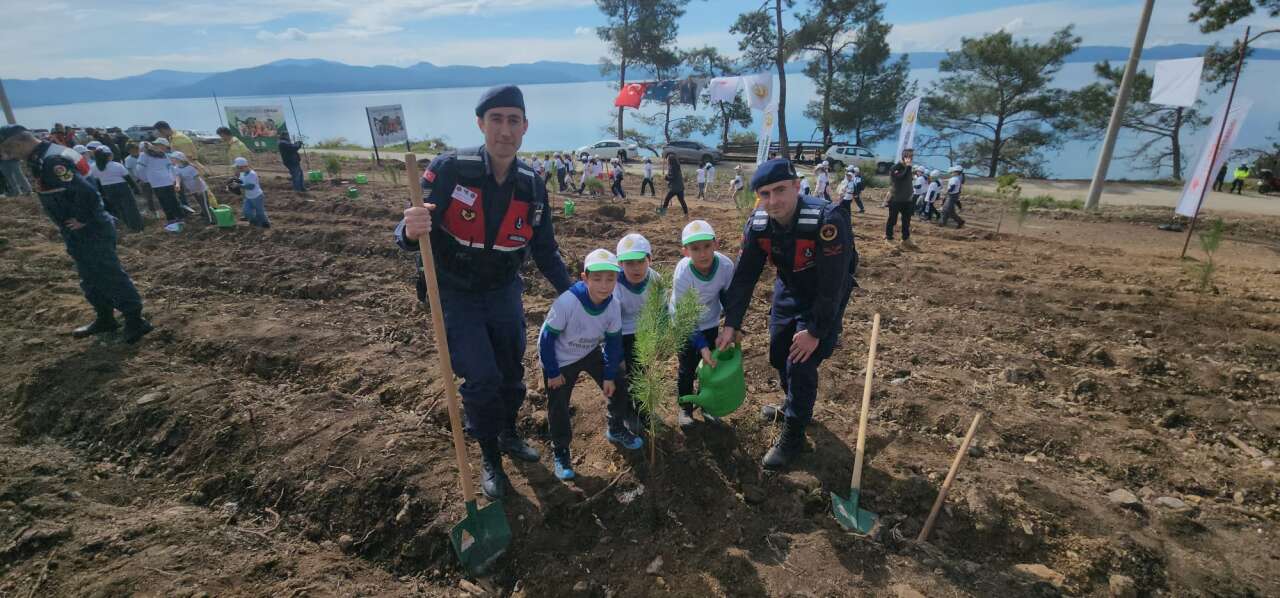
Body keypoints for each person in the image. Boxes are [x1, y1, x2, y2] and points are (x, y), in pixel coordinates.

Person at [395, 84, 574, 500]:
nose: (505, 130)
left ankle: (508, 433)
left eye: (513, 120)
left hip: (503, 291)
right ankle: (490, 456)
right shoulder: (451, 170)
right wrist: (409, 229)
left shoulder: (532, 185)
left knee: (511, 373)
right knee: (481, 377)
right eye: (496, 120)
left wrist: (573, 292)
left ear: (525, 126)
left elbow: (545, 249)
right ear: (480, 123)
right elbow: (409, 228)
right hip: (455, 293)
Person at [720, 158, 855, 468]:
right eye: (765, 194)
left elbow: (834, 284)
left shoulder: (827, 220)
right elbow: (744, 276)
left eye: (780, 190)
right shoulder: (758, 224)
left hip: (823, 294)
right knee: (779, 353)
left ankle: (794, 434)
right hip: (789, 287)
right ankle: (793, 402)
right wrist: (731, 323)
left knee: (801, 362)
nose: (773, 201)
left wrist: (815, 330)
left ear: (797, 186)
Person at [0, 125, 153, 343]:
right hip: (77, 229)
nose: (7, 155)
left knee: (108, 273)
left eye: (8, 150)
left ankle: (135, 320)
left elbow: (87, 191)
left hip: (90, 228)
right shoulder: (43, 156)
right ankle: (105, 318)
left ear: (17, 143)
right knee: (89, 276)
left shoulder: (52, 161)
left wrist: (82, 218)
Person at [538, 249, 643, 481]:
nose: (604, 285)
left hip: (589, 351)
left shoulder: (613, 306)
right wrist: (553, 372)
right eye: (597, 279)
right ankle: (561, 450)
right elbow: (546, 340)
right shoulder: (568, 302)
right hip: (560, 358)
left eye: (610, 279)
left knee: (618, 383)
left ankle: (616, 427)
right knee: (559, 405)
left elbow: (614, 343)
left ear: (617, 279)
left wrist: (609, 375)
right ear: (585, 278)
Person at [671, 219, 735, 430]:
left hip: (710, 319)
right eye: (695, 248)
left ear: (716, 244)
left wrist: (732, 326)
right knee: (687, 368)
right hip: (684, 322)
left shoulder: (725, 266)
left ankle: (707, 404)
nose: (703, 253)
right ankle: (685, 407)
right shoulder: (683, 273)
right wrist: (701, 345)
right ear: (685, 251)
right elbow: (685, 316)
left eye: (707, 246)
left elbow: (729, 298)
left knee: (710, 366)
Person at [613, 233, 659, 433]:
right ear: (620, 264)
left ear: (650, 259)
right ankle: (626, 413)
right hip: (620, 334)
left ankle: (643, 410)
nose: (636, 268)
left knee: (642, 373)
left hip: (645, 333)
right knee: (622, 376)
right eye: (629, 263)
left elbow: (661, 310)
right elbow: (611, 322)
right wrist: (617, 354)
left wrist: (660, 337)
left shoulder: (655, 279)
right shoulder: (615, 284)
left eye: (641, 261)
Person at [88, 146, 144, 232]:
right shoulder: (116, 165)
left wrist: (102, 193)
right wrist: (136, 188)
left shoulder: (93, 167)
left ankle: (129, 226)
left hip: (107, 189)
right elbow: (128, 178)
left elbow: (97, 180)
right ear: (109, 156)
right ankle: (138, 227)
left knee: (120, 208)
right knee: (130, 207)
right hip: (121, 187)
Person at [137, 138, 185, 230]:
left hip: (161, 182)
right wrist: (146, 179)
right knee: (169, 200)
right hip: (162, 182)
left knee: (167, 200)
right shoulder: (154, 155)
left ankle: (175, 218)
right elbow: (140, 169)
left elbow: (140, 169)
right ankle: (176, 218)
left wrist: (146, 179)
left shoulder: (159, 155)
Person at [173, 151, 213, 224]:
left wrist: (199, 189)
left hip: (200, 188)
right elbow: (178, 176)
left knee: (204, 204)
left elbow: (197, 179)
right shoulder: (176, 167)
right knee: (200, 202)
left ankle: (209, 220)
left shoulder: (190, 167)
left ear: (179, 159)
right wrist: (177, 185)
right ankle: (203, 214)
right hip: (192, 189)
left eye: (173, 158)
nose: (172, 159)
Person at [886, 150, 916, 247]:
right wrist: (908, 167)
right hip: (896, 199)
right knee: (892, 220)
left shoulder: (907, 168)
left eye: (912, 157)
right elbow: (900, 177)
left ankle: (905, 239)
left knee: (906, 221)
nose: (911, 159)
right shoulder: (895, 168)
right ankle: (889, 238)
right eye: (910, 157)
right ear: (904, 157)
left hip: (907, 200)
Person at [231, 157, 270, 228]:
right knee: (247, 212)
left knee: (260, 212)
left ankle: (266, 224)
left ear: (242, 167)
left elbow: (251, 186)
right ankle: (255, 223)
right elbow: (241, 181)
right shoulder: (242, 173)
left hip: (257, 196)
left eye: (238, 167)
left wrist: (238, 185)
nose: (237, 169)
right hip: (248, 197)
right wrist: (234, 180)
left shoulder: (252, 174)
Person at [124, 143, 158, 218]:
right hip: (142, 180)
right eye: (132, 150)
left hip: (152, 178)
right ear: (128, 151)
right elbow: (130, 172)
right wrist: (137, 180)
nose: (135, 151)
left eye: (136, 149)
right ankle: (153, 211)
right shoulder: (128, 160)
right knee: (148, 196)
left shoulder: (144, 155)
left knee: (158, 193)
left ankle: (161, 208)